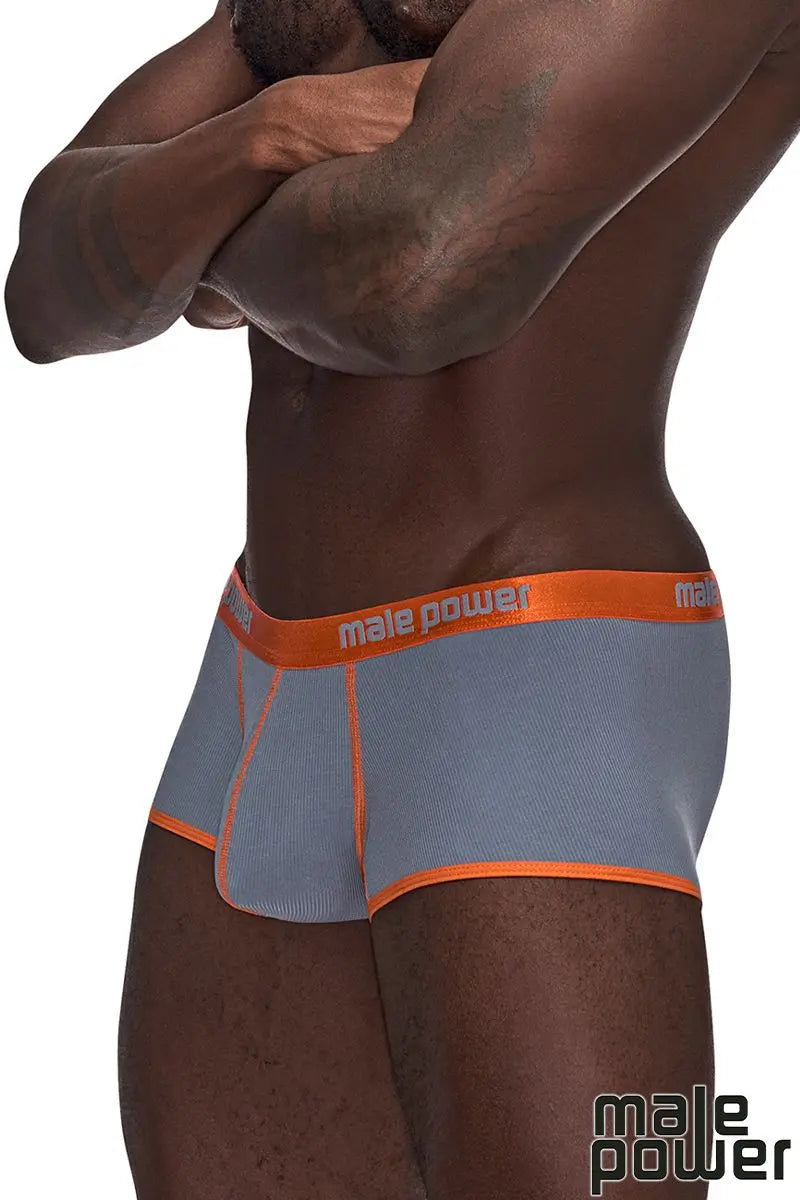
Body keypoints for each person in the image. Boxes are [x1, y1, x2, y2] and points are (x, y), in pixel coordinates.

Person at [5, 1, 799, 1196]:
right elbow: (45, 291)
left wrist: (187, 237)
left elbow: (418, 277)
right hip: (260, 677)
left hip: (536, 662)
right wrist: (270, 132)